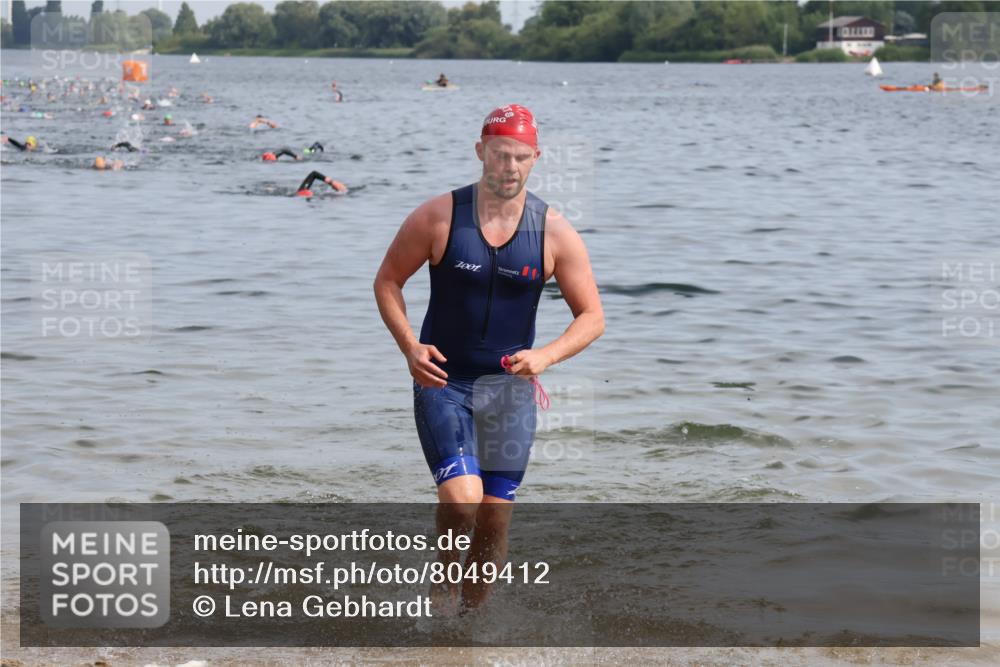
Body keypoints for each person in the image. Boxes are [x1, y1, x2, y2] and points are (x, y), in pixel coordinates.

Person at [373, 104, 604, 613]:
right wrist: (409, 345)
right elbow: (387, 281)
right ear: (481, 151)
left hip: (511, 391)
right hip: (444, 382)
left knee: (495, 516)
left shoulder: (554, 232)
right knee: (462, 499)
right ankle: (440, 593)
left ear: (536, 158)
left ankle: (470, 625)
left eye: (521, 157)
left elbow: (592, 317)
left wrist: (546, 356)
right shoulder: (438, 217)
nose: (510, 167)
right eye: (500, 155)